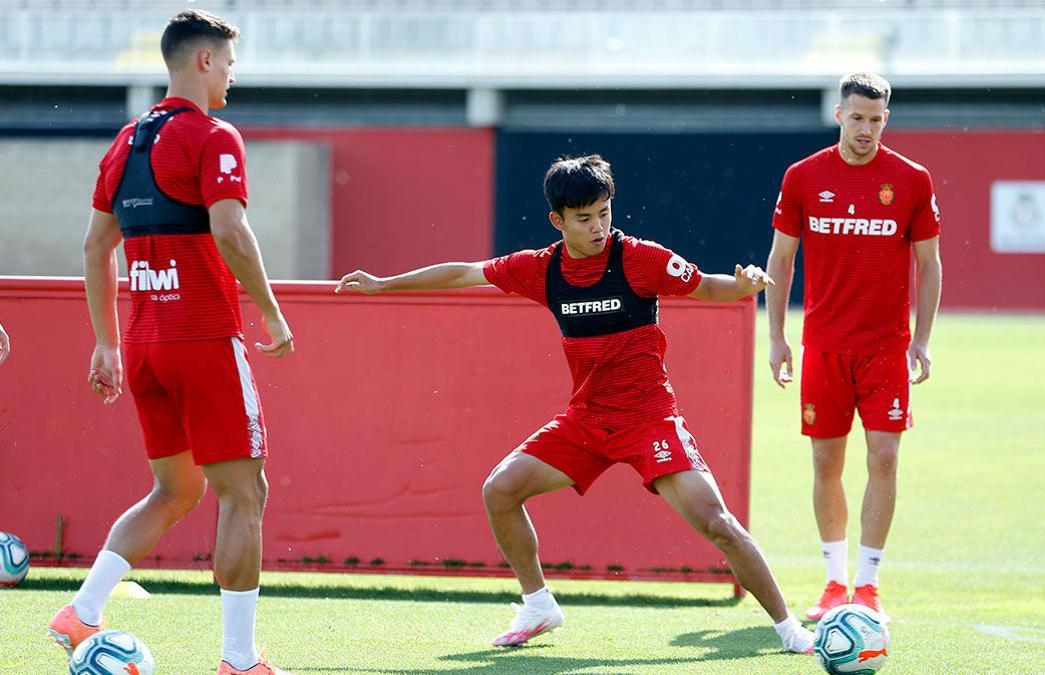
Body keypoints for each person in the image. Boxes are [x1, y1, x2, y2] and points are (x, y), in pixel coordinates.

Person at [336, 154, 815, 654]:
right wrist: (384, 283)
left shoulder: (640, 258)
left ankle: (789, 630)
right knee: (500, 491)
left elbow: (705, 287)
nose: (599, 226)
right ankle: (539, 605)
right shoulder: (541, 270)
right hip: (587, 421)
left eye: (605, 212)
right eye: (584, 218)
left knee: (719, 525)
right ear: (557, 221)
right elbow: (463, 274)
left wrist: (740, 286)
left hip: (650, 419)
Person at [47, 10, 294, 675]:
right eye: (230, 66)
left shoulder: (125, 141)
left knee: (176, 490)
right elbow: (233, 233)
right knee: (246, 494)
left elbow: (97, 246)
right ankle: (240, 660)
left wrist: (107, 344)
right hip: (204, 339)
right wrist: (270, 310)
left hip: (147, 342)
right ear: (204, 61)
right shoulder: (213, 135)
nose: (232, 82)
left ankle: (84, 610)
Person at [764, 72, 943, 624]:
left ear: (886, 119)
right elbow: (781, 260)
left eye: (877, 119)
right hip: (823, 347)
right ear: (839, 115)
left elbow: (929, 263)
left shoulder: (912, 180)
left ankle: (867, 585)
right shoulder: (803, 177)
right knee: (825, 462)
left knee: (885, 459)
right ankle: (833, 581)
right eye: (857, 117)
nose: (866, 129)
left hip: (886, 348)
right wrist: (776, 338)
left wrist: (923, 339)